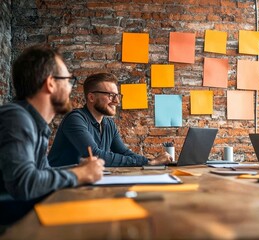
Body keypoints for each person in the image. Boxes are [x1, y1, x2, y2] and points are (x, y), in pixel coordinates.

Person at [0, 45, 105, 226]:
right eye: (67, 80)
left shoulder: (33, 122)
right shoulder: (16, 118)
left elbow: (42, 173)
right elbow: (24, 183)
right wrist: (80, 174)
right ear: (50, 83)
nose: (70, 88)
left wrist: (79, 169)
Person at [48, 72, 172, 167]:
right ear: (91, 97)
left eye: (117, 96)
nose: (117, 101)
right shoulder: (75, 119)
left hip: (86, 183)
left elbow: (124, 152)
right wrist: (149, 162)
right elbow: (96, 155)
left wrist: (149, 161)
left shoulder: (108, 124)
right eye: (111, 95)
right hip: (60, 188)